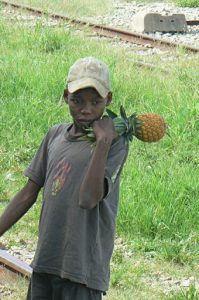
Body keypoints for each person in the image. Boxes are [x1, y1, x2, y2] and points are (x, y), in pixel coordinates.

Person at [0, 56, 129, 299]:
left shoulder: (115, 144)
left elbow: (89, 198)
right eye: (77, 100)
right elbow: (28, 192)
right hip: (46, 261)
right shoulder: (55, 135)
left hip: (81, 271)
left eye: (96, 102)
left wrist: (102, 142)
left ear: (108, 100)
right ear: (65, 97)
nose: (86, 109)